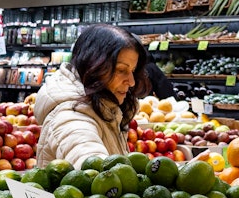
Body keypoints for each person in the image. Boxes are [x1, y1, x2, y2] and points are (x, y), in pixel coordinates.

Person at [33, 23, 151, 169]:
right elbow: (90, 162)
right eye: (121, 70)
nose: (132, 82)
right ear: (94, 66)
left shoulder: (106, 106)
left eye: (132, 71)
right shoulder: (70, 117)